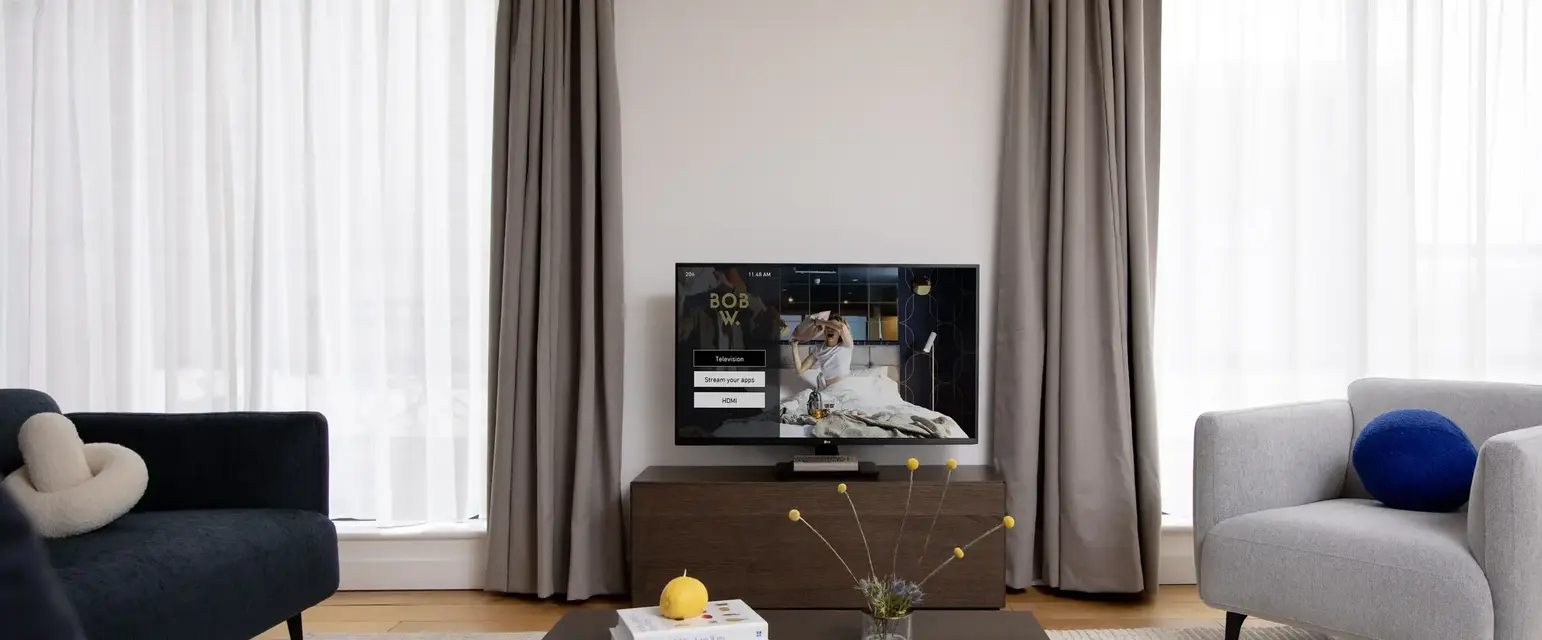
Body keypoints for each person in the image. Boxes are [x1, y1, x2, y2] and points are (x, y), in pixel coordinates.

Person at [790, 313, 854, 389]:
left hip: (844, 390)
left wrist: (821, 322)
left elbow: (842, 327)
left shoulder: (846, 345)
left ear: (840, 334)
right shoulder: (819, 349)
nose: (830, 329)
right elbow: (799, 369)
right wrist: (794, 346)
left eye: (833, 327)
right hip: (829, 391)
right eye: (828, 327)